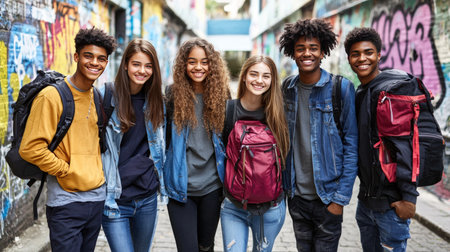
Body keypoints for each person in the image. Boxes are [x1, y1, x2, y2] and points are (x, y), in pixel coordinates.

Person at [19, 27, 116, 251]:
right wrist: (67, 170)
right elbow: (31, 148)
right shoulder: (52, 96)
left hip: (96, 199)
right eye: (88, 56)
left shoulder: (97, 96)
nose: (95, 63)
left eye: (101, 59)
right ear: (76, 57)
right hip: (66, 202)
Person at [278, 18, 358, 251]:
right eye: (301, 48)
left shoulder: (340, 89)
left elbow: (352, 145)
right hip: (297, 198)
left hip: (328, 198)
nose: (307, 53)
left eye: (313, 48)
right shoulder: (286, 89)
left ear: (323, 51)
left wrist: (340, 199)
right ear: (293, 52)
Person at [344, 27, 418, 252]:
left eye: (368, 52)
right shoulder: (361, 92)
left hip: (391, 205)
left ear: (379, 55)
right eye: (355, 54)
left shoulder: (390, 92)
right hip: (366, 203)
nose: (362, 58)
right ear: (349, 58)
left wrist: (409, 198)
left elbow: (407, 145)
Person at [100, 38, 167, 252]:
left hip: (146, 198)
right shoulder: (106, 96)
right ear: (126, 64)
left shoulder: (157, 101)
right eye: (137, 64)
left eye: (148, 66)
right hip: (115, 199)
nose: (142, 71)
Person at [164, 38, 229, 252]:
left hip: (212, 187)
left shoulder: (223, 95)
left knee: (206, 246)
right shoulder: (172, 94)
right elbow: (164, 140)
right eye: (192, 62)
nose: (198, 67)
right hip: (181, 188)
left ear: (212, 64)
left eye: (204, 62)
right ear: (184, 64)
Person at [220, 55, 290, 252]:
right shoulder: (229, 110)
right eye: (254, 74)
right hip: (234, 206)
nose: (259, 80)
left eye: (266, 76)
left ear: (272, 80)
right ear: (244, 76)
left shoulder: (278, 113)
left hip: (270, 208)